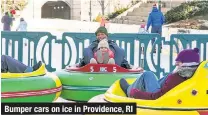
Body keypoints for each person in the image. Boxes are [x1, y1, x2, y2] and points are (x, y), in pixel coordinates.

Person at [119, 48, 200, 100]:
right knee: (168, 76)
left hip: (162, 100)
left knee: (148, 75)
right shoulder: (195, 74)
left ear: (186, 63)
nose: (176, 64)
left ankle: (128, 90)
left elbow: (157, 98)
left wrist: (136, 93)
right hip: (176, 97)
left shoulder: (176, 78)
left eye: (179, 62)